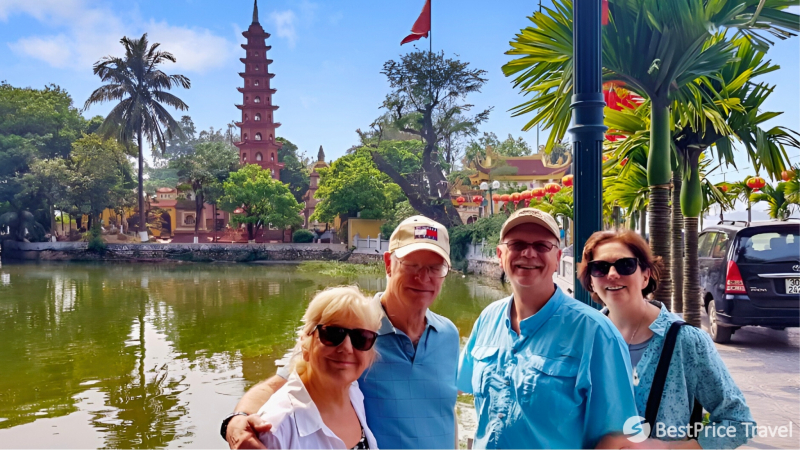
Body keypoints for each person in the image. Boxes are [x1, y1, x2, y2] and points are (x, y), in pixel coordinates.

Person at [223, 216, 460, 449]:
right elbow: (278, 386)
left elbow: (444, 411)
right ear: (388, 264)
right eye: (412, 265)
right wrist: (237, 420)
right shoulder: (353, 330)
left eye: (435, 267)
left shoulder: (448, 334)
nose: (423, 277)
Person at [456, 208, 640, 449]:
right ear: (500, 255)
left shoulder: (595, 333)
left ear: (557, 258)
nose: (528, 253)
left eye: (542, 246)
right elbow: (460, 388)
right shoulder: (487, 319)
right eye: (517, 244)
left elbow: (618, 438)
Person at [577, 230, 755, 449]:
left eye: (625, 265)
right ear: (591, 282)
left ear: (645, 275)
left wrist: (664, 447)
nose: (612, 274)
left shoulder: (686, 341)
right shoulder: (581, 339)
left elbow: (738, 422)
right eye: (600, 268)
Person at [255, 286, 381, 449]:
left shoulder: (353, 394)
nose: (347, 348)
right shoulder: (277, 427)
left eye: (361, 338)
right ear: (305, 343)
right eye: (333, 334)